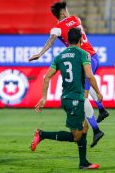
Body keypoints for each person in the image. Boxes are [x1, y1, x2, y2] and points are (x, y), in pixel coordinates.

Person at [29, 1, 109, 147]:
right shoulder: (76, 19)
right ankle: (101, 110)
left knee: (82, 97)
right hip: (94, 57)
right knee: (84, 88)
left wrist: (40, 53)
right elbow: (70, 25)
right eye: (67, 10)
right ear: (64, 12)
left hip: (85, 59)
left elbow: (51, 41)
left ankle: (97, 127)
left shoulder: (57, 29)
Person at [30, 28, 103, 169]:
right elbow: (89, 75)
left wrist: (44, 97)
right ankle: (42, 134)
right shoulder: (84, 54)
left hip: (67, 98)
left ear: (68, 40)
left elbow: (47, 78)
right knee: (76, 136)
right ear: (81, 39)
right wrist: (98, 92)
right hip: (75, 98)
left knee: (85, 126)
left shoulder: (59, 57)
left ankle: (83, 163)